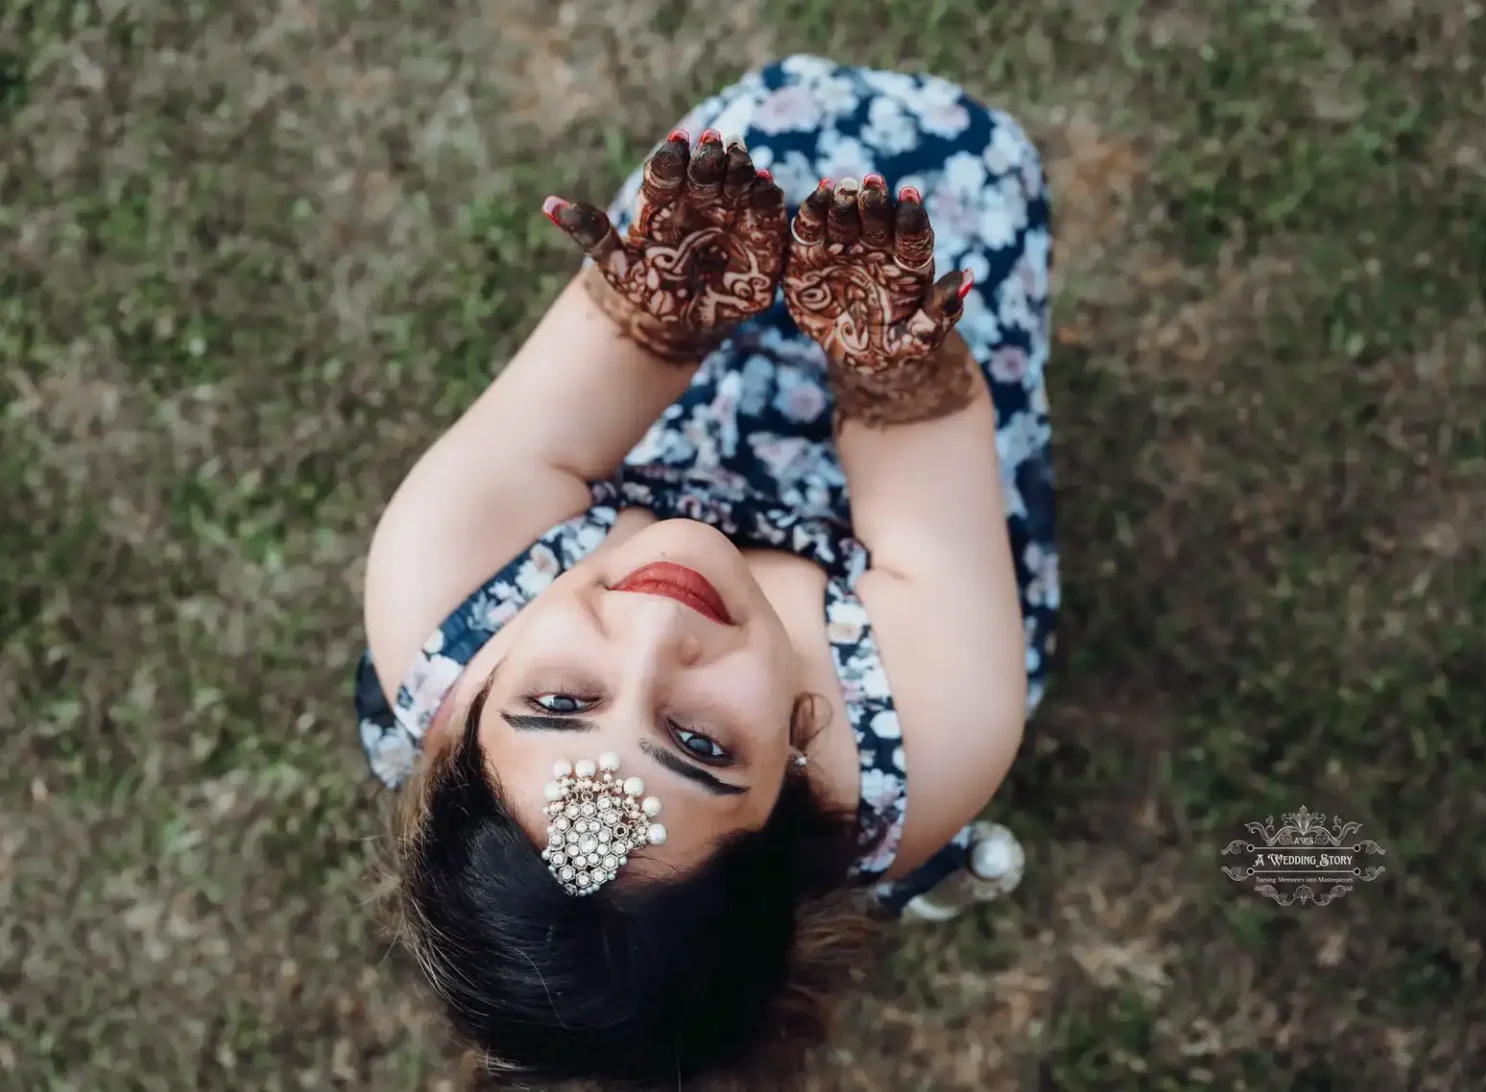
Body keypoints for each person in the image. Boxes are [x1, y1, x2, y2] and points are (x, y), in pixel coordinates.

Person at [355, 55, 1057, 1089]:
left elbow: (566, 412)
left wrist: (655, 312)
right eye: (698, 741)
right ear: (799, 807)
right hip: (904, 470)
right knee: (943, 211)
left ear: (459, 722)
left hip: (672, 382)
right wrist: (890, 359)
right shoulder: (934, 735)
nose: (652, 636)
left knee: (754, 166)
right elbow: (925, 512)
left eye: (558, 699)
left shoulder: (438, 594)